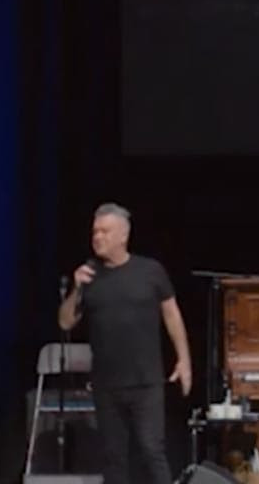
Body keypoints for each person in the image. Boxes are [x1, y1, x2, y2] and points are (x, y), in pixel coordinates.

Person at [59, 202, 193, 484]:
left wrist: (184, 360)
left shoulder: (150, 271)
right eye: (95, 231)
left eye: (105, 231)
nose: (98, 237)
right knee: (113, 456)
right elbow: (65, 322)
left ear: (123, 235)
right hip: (107, 384)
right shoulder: (89, 276)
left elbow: (171, 314)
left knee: (151, 449)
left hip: (146, 382)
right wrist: (76, 288)